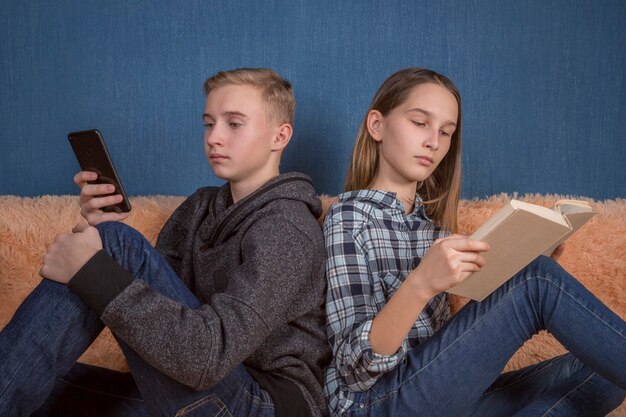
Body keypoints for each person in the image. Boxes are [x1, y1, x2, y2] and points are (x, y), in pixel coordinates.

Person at [0, 68, 330, 417]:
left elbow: (207, 358)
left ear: (280, 136)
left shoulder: (287, 229)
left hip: (260, 404)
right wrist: (100, 238)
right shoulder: (199, 209)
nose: (214, 137)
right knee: (46, 390)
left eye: (234, 123)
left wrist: (99, 267)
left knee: (119, 245)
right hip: (196, 391)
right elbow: (154, 322)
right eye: (208, 123)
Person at [322, 67, 626, 417]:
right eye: (420, 122)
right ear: (377, 125)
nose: (433, 142)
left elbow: (448, 356)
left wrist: (516, 277)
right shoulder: (349, 216)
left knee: (603, 369)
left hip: (436, 399)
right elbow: (355, 369)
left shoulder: (433, 231)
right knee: (537, 280)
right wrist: (421, 284)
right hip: (372, 403)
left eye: (446, 132)